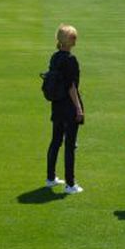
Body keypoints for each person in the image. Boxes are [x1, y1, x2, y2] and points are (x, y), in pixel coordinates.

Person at [45, 24, 84, 194]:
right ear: (68, 41)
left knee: (55, 141)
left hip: (57, 105)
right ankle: (70, 184)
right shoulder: (70, 60)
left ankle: (51, 178)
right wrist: (79, 109)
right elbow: (71, 87)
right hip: (68, 106)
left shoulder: (55, 58)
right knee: (69, 145)